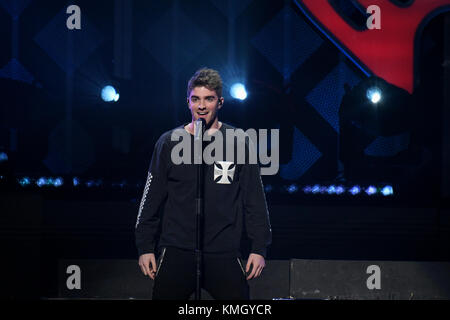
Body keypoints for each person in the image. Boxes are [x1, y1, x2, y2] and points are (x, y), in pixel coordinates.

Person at [135, 67, 272, 300]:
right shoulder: (168, 143)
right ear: (187, 102)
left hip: (224, 251)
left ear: (220, 102)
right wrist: (145, 246)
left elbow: (255, 200)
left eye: (208, 99)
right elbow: (151, 198)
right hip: (177, 250)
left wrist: (259, 248)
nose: (201, 106)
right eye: (195, 99)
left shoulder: (239, 141)